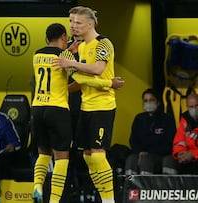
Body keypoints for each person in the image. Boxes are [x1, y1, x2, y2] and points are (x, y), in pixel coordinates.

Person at [53, 6, 119, 203]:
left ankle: (109, 200)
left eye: (78, 22)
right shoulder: (79, 47)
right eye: (71, 22)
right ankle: (103, 196)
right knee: (88, 157)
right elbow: (81, 80)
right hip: (85, 107)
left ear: (91, 24)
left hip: (103, 106)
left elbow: (98, 68)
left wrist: (71, 63)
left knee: (98, 156)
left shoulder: (104, 43)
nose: (73, 26)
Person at [31, 23, 76, 203]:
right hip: (57, 109)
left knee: (43, 154)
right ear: (64, 37)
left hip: (38, 108)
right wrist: (73, 56)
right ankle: (55, 200)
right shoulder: (64, 56)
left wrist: (69, 52)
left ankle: (37, 188)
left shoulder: (36, 54)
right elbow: (79, 79)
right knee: (61, 158)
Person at [124, 88, 176, 175]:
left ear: (158, 102)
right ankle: (130, 186)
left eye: (151, 100)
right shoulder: (139, 118)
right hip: (140, 154)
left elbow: (169, 143)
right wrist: (140, 152)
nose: (148, 103)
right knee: (131, 159)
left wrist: (148, 153)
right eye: (145, 100)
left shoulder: (167, 119)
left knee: (146, 159)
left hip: (160, 155)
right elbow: (133, 140)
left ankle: (147, 187)